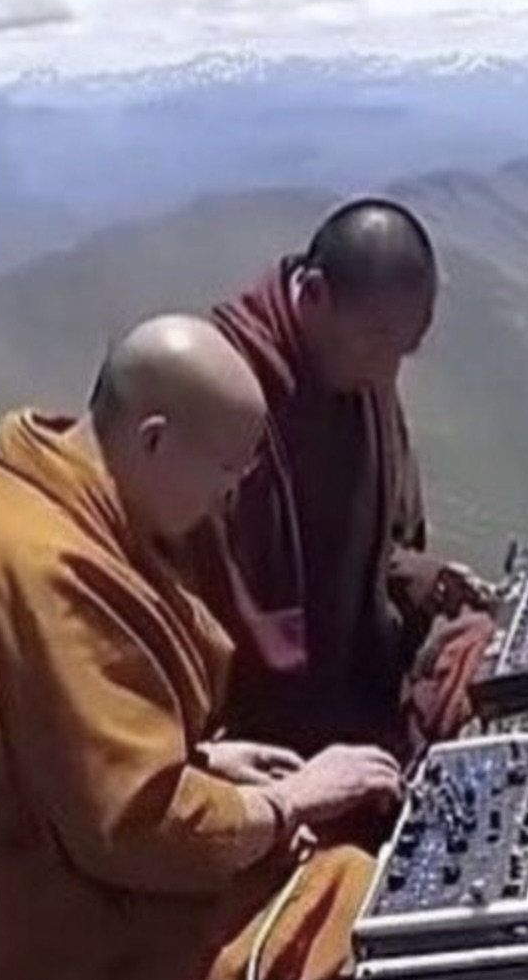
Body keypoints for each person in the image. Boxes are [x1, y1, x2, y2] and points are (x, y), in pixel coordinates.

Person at [0, 316, 403, 980]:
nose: (232, 497)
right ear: (154, 440)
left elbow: (61, 744)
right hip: (45, 944)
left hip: (79, 876)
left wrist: (201, 764)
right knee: (346, 922)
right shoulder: (48, 566)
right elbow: (135, 827)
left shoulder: (21, 486)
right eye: (229, 469)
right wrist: (282, 801)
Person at [191, 198, 497, 757]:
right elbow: (221, 602)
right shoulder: (226, 391)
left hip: (362, 676)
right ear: (313, 296)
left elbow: (372, 545)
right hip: (272, 727)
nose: (388, 372)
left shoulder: (359, 371)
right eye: (379, 342)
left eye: (405, 349)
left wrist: (419, 575)